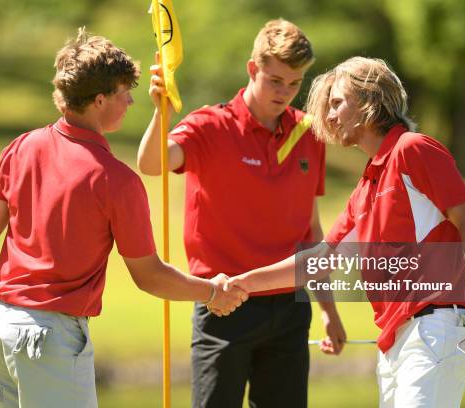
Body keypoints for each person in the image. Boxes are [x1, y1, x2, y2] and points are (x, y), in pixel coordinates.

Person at [0, 28, 247, 408]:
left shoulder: (20, 148)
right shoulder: (117, 180)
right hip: (50, 341)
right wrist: (212, 292)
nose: (131, 101)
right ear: (99, 100)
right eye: (123, 93)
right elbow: (149, 276)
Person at [226, 56, 465, 408]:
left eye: (337, 103)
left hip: (434, 329)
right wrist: (241, 284)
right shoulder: (366, 187)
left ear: (370, 100)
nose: (330, 116)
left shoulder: (413, 149)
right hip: (395, 341)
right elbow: (316, 262)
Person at [137, 19, 346, 408]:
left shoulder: (308, 134)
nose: (284, 93)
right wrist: (159, 113)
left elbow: (311, 232)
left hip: (289, 308)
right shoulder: (210, 126)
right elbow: (152, 164)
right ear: (253, 69)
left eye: (295, 83)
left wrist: (328, 309)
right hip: (222, 302)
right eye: (275, 80)